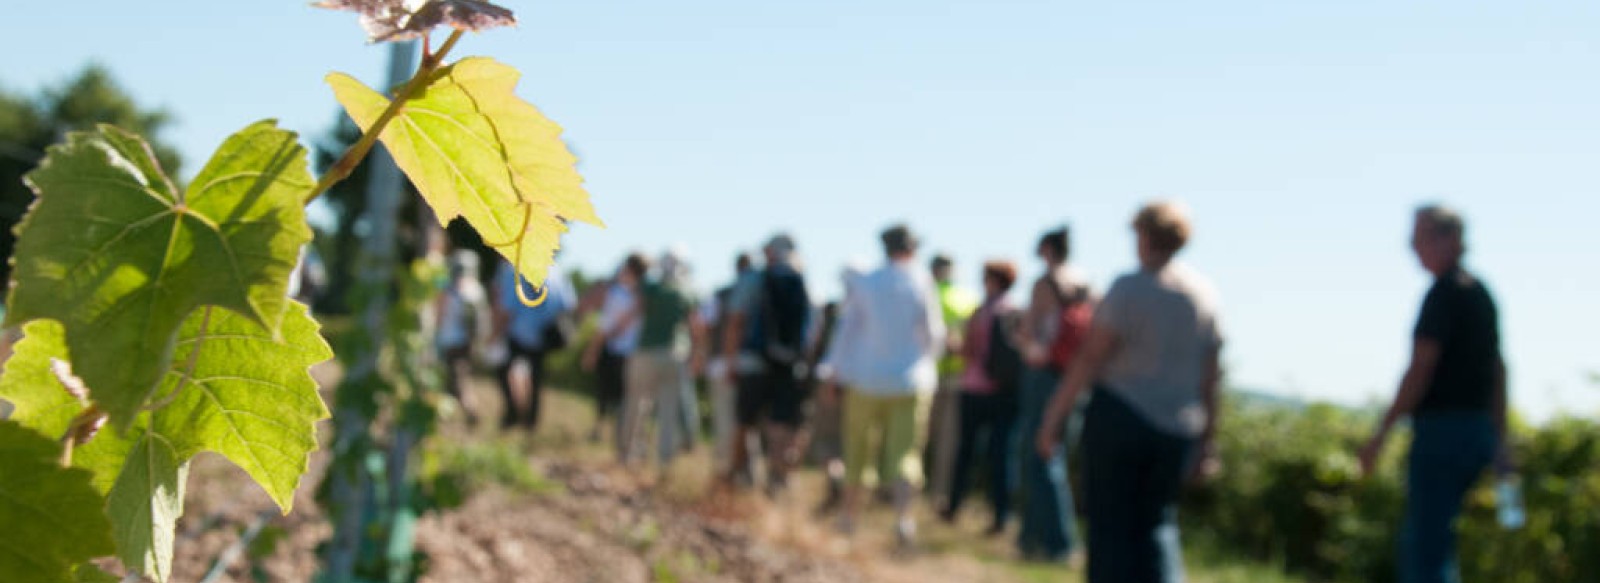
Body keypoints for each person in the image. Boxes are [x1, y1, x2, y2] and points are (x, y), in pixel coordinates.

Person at [1036, 201, 1223, 583]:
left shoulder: (1132, 288)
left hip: (1120, 418)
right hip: (1177, 429)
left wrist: (1052, 420)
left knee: (1110, 530)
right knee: (1157, 525)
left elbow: (1088, 360)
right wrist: (1208, 441)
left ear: (1143, 236)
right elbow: (1210, 377)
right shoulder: (1204, 295)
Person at [1357, 205, 1508, 583]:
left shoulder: (1443, 294)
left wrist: (1381, 434)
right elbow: (1499, 371)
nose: (1412, 247)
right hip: (1477, 434)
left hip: (1443, 432)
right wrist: (1501, 439)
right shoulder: (1481, 295)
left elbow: (1420, 368)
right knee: (1438, 544)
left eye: (1420, 237)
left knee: (1424, 549)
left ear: (1451, 240)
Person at [820, 224, 945, 548]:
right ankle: (903, 522)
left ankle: (848, 519)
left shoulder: (867, 283)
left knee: (858, 451)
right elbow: (934, 335)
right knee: (905, 454)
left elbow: (846, 332)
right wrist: (925, 363)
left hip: (866, 380)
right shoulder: (920, 281)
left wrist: (834, 373)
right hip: (909, 382)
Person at [1015, 227, 1090, 562]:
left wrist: (1022, 340)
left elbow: (1032, 334)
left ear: (1046, 248)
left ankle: (1058, 543)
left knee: (1040, 455)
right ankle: (1031, 539)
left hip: (1044, 375)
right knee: (1052, 452)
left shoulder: (1044, 283)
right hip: (1075, 378)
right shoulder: (1085, 282)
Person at [722, 234, 812, 492]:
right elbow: (810, 332)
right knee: (781, 425)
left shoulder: (755, 279)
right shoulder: (802, 282)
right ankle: (778, 481)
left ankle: (738, 478)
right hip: (789, 365)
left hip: (753, 361)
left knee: (745, 421)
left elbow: (736, 321)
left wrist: (731, 362)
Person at [942, 260, 1023, 536]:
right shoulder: (1016, 311)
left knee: (965, 452)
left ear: (992, 280)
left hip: (975, 389)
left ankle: (953, 506)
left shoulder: (982, 313)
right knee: (1001, 456)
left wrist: (952, 344)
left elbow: (967, 351)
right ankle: (1001, 514)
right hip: (1007, 393)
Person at [618, 249, 705, 467]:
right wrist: (697, 356)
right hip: (674, 356)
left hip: (645, 353)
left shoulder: (651, 287)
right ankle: (664, 463)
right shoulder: (688, 292)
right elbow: (696, 328)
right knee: (668, 411)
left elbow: (634, 312)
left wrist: (613, 333)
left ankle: (627, 454)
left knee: (635, 405)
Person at [490, 257, 576, 430]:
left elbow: (507, 309)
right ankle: (530, 422)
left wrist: (494, 335)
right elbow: (569, 304)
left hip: (519, 333)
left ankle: (512, 413)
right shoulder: (556, 271)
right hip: (543, 336)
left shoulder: (513, 271)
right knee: (535, 380)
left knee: (504, 371)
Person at [925, 253, 980, 505]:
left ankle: (908, 490)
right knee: (946, 439)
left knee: (921, 436)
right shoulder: (967, 298)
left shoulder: (928, 294)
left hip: (932, 374)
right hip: (955, 374)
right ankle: (938, 491)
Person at [582, 254, 647, 447]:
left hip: (615, 351)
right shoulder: (643, 297)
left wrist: (592, 351)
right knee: (627, 398)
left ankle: (605, 431)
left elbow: (605, 327)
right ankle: (628, 437)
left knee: (606, 393)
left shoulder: (617, 295)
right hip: (633, 354)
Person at [701, 253, 754, 476]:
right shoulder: (760, 294)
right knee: (747, 425)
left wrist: (703, 357)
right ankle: (745, 474)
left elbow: (705, 325)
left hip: (723, 364)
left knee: (725, 421)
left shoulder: (721, 294)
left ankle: (725, 471)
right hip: (752, 366)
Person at [435, 250, 491, 425]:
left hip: (452, 342)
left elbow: (440, 315)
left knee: (458, 383)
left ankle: (472, 415)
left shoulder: (450, 288)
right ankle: (446, 418)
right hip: (468, 344)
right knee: (455, 381)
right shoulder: (477, 290)